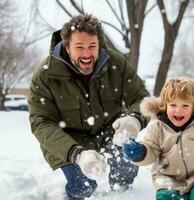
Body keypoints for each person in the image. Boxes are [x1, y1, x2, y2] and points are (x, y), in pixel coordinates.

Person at [28, 14, 149, 200]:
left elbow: (142, 99)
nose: (87, 54)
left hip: (112, 131)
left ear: (99, 45)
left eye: (92, 46)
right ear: (67, 47)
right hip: (69, 139)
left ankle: (123, 194)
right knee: (83, 186)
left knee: (126, 165)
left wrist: (135, 119)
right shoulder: (45, 76)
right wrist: (76, 154)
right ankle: (68, 193)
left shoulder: (116, 63)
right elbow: (41, 123)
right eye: (79, 47)